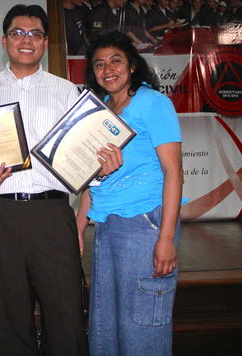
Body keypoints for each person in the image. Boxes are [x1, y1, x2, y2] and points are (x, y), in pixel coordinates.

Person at [0, 4, 122, 356]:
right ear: (4, 40)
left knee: (65, 311)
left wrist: (99, 169)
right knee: (8, 313)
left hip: (51, 214)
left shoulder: (66, 91)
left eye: (34, 34)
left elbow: (83, 153)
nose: (26, 40)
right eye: (18, 33)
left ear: (45, 41)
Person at [77, 30, 185, 355]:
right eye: (99, 64)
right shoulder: (100, 112)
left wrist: (165, 239)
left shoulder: (154, 103)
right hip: (107, 229)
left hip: (144, 227)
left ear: (132, 65)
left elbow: (174, 172)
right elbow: (91, 180)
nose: (108, 69)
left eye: (115, 60)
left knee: (142, 331)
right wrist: (78, 226)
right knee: (105, 329)